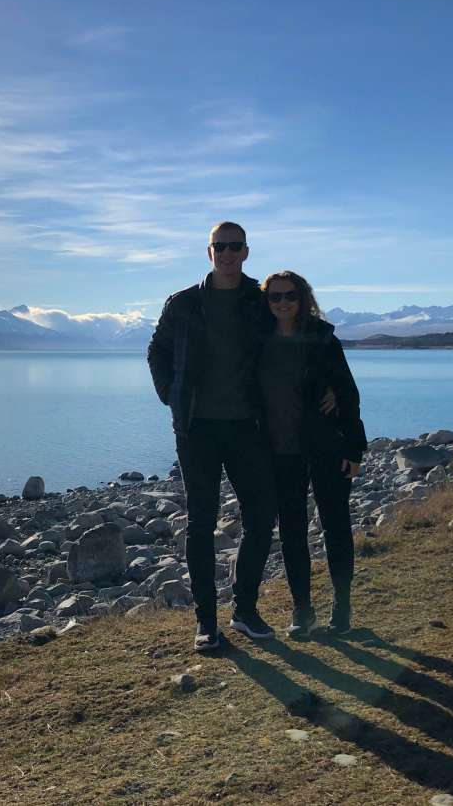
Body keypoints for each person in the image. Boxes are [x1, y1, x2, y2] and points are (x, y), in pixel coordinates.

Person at [146, 222, 281, 652]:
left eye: (234, 246)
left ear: (246, 252)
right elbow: (157, 352)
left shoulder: (259, 302)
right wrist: (172, 397)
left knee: (261, 517)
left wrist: (329, 384)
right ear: (209, 252)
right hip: (196, 428)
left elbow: (296, 340)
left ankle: (245, 610)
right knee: (201, 523)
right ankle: (206, 621)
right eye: (219, 246)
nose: (227, 253)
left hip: (249, 426)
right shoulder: (183, 303)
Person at [258, 270, 367, 638]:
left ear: (302, 299)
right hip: (280, 450)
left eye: (290, 296)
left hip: (326, 446)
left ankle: (342, 607)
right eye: (275, 297)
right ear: (266, 300)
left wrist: (355, 447)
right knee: (292, 531)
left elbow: (348, 393)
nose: (283, 302)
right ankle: (302, 611)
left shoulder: (322, 338)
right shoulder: (257, 340)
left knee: (336, 525)